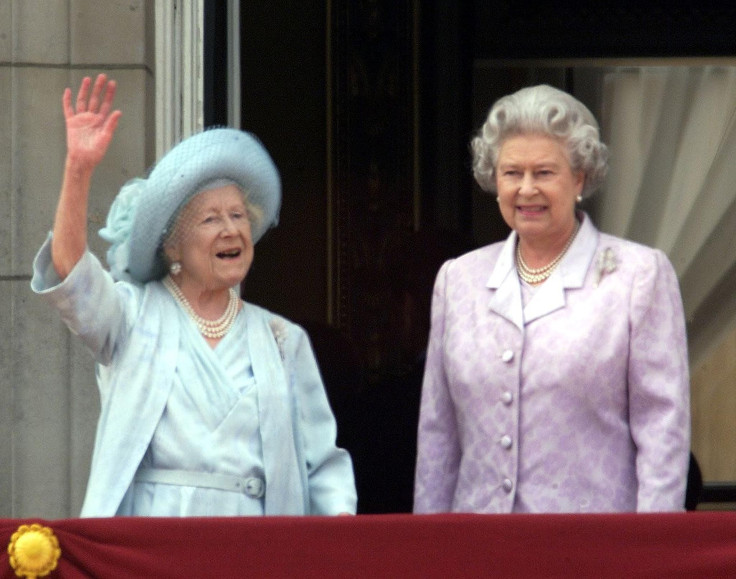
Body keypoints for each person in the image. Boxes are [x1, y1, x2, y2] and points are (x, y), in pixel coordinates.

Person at [31, 74, 356, 517]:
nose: (231, 229)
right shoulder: (131, 316)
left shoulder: (283, 339)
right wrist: (78, 169)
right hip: (155, 542)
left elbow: (323, 465)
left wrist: (336, 540)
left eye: (239, 215)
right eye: (210, 219)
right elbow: (71, 274)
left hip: (253, 547)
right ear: (172, 247)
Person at [413, 84, 690, 513]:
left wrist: (649, 555)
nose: (526, 190)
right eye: (511, 173)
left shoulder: (637, 276)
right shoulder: (458, 280)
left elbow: (662, 433)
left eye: (544, 173)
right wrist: (430, 554)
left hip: (593, 555)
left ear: (579, 177)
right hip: (478, 553)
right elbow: (438, 435)